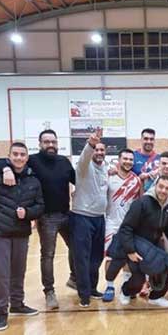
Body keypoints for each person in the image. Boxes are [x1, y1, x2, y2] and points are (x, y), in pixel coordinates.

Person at [0, 129, 77, 310]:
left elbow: (78, 180)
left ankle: (74, 279)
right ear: (40, 144)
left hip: (66, 214)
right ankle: (49, 291)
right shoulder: (32, 160)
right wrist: (6, 169)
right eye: (46, 142)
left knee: (77, 248)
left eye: (53, 142)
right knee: (48, 255)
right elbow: (1, 161)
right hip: (46, 217)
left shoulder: (64, 162)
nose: (50, 145)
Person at [0, 142, 44, 331]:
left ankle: (17, 304)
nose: (19, 157)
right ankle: (1, 311)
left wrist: (28, 213)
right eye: (15, 154)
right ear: (9, 156)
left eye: (22, 154)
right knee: (1, 274)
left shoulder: (33, 180)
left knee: (18, 272)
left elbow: (40, 206)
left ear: (27, 157)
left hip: (21, 233)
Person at [108, 175, 168, 308]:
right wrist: (130, 251)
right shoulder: (141, 203)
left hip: (154, 244)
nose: (163, 190)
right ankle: (126, 291)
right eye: (161, 186)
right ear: (155, 186)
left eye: (167, 188)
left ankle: (156, 297)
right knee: (138, 280)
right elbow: (126, 228)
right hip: (136, 243)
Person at [70, 130, 109, 308]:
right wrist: (91, 144)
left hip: (99, 218)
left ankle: (92, 288)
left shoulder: (106, 168)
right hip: (82, 218)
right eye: (96, 149)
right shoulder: (84, 166)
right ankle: (84, 295)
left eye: (102, 150)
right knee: (82, 258)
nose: (99, 152)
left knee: (96, 257)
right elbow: (85, 156)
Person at [102, 148, 142, 302]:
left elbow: (140, 202)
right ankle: (109, 286)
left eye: (131, 159)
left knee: (128, 257)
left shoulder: (136, 180)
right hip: (111, 223)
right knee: (110, 257)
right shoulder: (109, 177)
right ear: (118, 160)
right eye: (125, 159)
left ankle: (126, 286)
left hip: (129, 226)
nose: (128, 162)